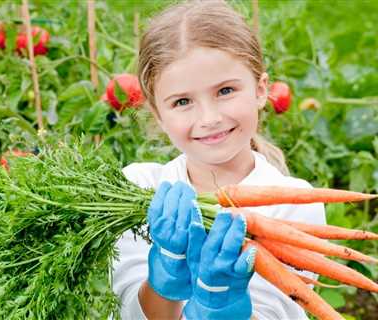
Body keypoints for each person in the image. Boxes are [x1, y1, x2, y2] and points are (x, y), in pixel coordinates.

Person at [112, 0, 326, 319]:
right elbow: (127, 312)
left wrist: (222, 310)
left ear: (260, 89)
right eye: (182, 101)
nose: (209, 118)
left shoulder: (297, 203)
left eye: (225, 91)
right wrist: (163, 283)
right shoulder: (138, 188)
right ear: (157, 114)